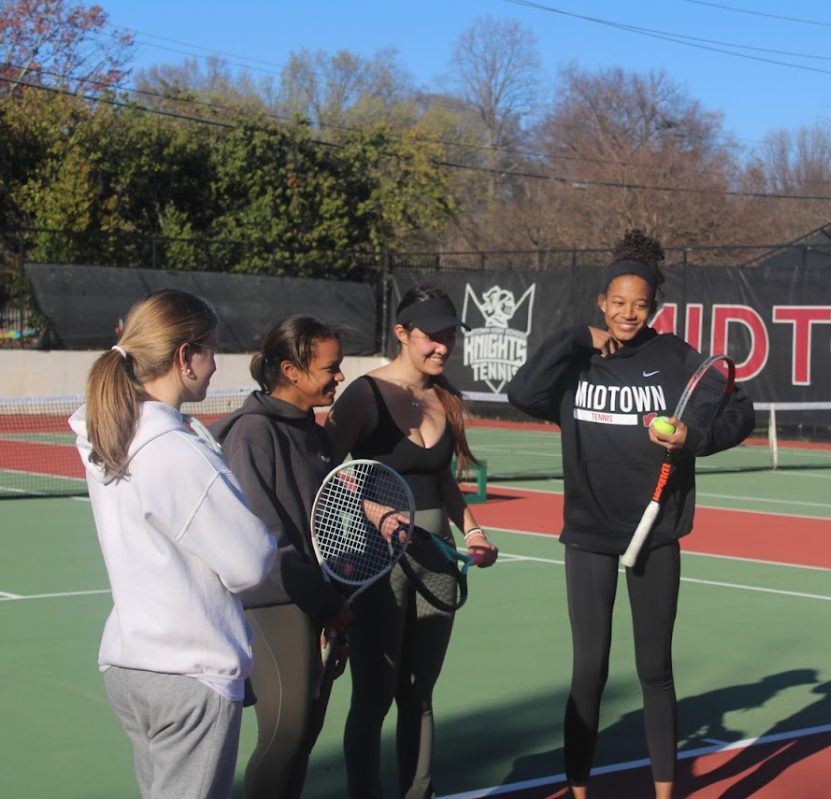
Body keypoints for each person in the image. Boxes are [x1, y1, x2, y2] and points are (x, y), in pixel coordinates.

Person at [506, 230, 755, 799]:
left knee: (654, 670)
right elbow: (523, 393)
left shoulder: (674, 358)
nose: (627, 313)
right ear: (601, 302)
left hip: (655, 535)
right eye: (617, 302)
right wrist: (574, 339)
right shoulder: (575, 359)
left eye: (639, 305)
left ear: (654, 309)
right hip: (589, 535)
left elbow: (738, 410)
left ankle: (665, 793)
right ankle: (578, 792)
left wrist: (695, 436)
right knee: (588, 671)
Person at [68, 288, 276, 799]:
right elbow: (251, 563)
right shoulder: (174, 451)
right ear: (185, 357)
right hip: (188, 671)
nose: (215, 366)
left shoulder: (108, 432)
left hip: (131, 663)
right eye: (211, 350)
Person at [324, 285, 498, 799]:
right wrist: (377, 512)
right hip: (379, 564)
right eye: (432, 336)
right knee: (374, 696)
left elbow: (443, 480)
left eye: (449, 337)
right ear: (402, 334)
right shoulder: (364, 395)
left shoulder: (446, 396)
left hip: (437, 561)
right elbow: (326, 471)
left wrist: (475, 529)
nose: (442, 346)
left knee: (419, 695)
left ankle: (418, 793)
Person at [210, 316, 352, 798]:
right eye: (331, 367)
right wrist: (326, 602)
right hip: (273, 600)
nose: (340, 376)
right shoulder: (251, 435)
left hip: (317, 597)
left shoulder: (313, 432)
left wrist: (338, 587)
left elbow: (323, 515)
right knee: (284, 733)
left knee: (305, 733)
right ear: (291, 370)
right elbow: (263, 535)